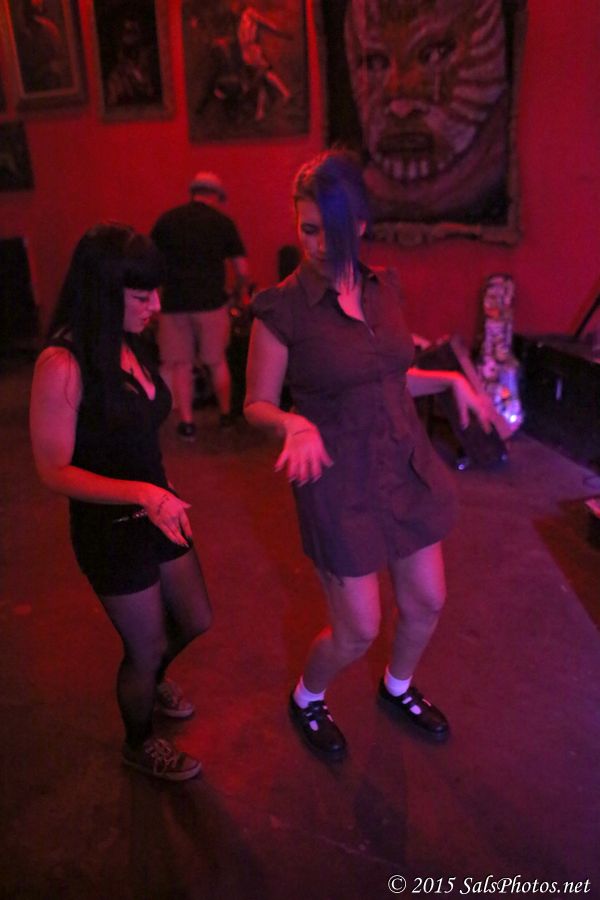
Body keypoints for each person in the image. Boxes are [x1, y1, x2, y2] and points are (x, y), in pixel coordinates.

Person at [244, 150, 493, 759]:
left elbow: (389, 379)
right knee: (357, 629)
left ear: (358, 224)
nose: (317, 245)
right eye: (306, 229)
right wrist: (292, 422)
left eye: (330, 230)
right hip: (336, 480)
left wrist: (450, 381)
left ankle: (397, 687)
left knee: (427, 602)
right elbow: (256, 405)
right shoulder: (282, 310)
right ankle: (308, 697)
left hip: (403, 465)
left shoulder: (385, 289)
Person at [29, 224, 212, 781]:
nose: (156, 306)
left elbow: (136, 432)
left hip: (156, 506)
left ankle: (153, 679)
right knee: (146, 646)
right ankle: (139, 742)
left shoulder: (129, 340)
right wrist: (141, 492)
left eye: (155, 292)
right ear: (103, 293)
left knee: (196, 619)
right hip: (109, 528)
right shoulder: (62, 363)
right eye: (141, 296)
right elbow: (52, 470)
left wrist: (160, 490)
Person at [151, 172, 249, 439]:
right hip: (211, 302)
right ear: (215, 195)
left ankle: (187, 423)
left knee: (180, 364)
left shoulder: (168, 221)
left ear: (192, 192)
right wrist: (236, 294)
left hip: (174, 303)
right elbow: (242, 270)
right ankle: (226, 416)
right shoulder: (223, 223)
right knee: (217, 361)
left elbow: (151, 262)